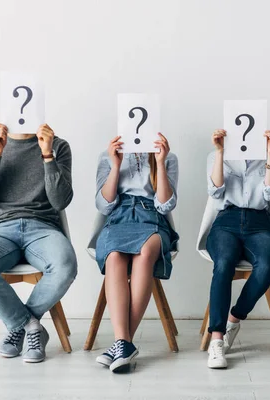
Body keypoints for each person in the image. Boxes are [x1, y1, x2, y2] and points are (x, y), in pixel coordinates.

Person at [0, 123, 77, 363]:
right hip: (0, 229)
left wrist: (47, 155)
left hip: (43, 227)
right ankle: (29, 326)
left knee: (65, 264)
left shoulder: (58, 145)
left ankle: (17, 327)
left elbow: (60, 201)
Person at [94, 133, 179, 373]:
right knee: (114, 256)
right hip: (118, 218)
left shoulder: (168, 157)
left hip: (152, 218)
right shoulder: (107, 156)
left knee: (144, 254)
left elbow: (166, 205)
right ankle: (124, 343)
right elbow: (104, 205)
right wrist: (116, 164)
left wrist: (160, 163)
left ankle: (121, 344)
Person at [205, 128, 270, 369]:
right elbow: (215, 191)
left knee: (267, 263)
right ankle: (216, 339)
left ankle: (234, 319)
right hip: (226, 221)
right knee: (224, 263)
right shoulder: (217, 155)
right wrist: (220, 152)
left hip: (259, 222)